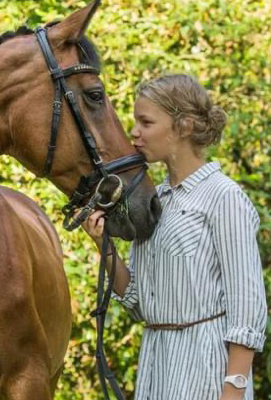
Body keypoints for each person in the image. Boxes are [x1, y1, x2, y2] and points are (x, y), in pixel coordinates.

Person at [82, 74, 267, 400]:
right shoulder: (157, 203)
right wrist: (103, 244)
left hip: (207, 371)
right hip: (156, 365)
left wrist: (233, 391)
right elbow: (138, 302)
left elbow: (248, 308)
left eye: (146, 121)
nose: (134, 132)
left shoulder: (223, 197)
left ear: (184, 126)